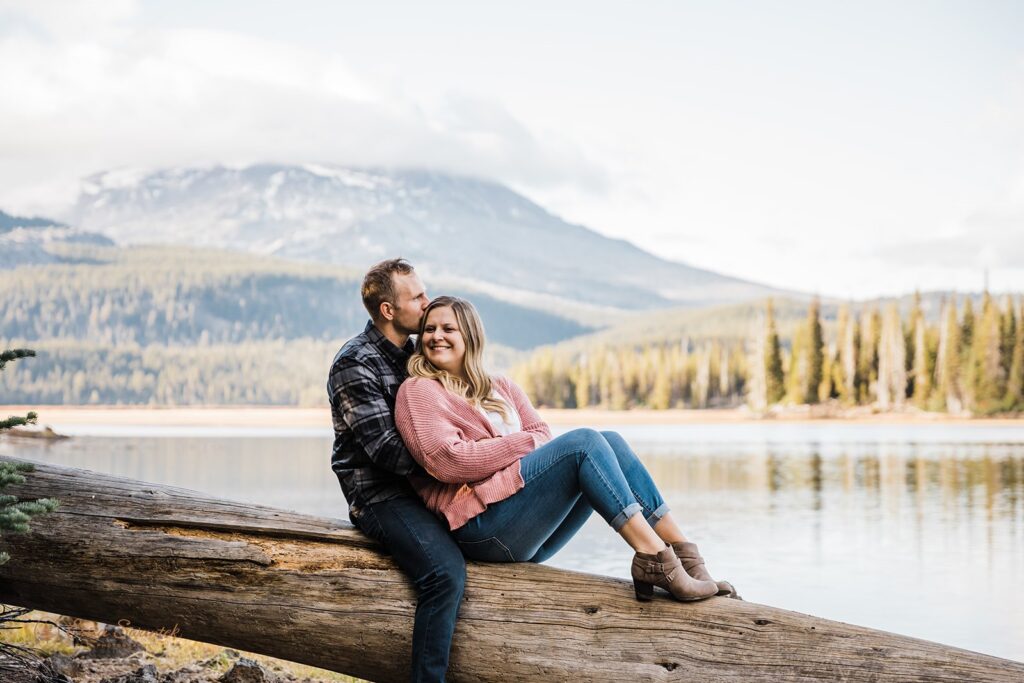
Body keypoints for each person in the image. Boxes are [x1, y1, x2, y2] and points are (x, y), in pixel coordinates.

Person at [395, 296, 737, 602]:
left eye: (448, 328)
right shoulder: (420, 390)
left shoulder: (501, 387)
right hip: (481, 530)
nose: (435, 336)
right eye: (429, 329)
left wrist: (497, 448)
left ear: (470, 335)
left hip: (524, 528)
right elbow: (449, 461)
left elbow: (541, 432)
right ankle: (654, 557)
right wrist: (522, 444)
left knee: (610, 441)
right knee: (584, 443)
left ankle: (686, 557)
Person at [327, 259, 466, 683]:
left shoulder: (416, 355)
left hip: (425, 488)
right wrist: (463, 465)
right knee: (444, 575)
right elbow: (386, 451)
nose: (427, 304)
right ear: (388, 311)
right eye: (418, 297)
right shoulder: (354, 364)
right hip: (380, 495)